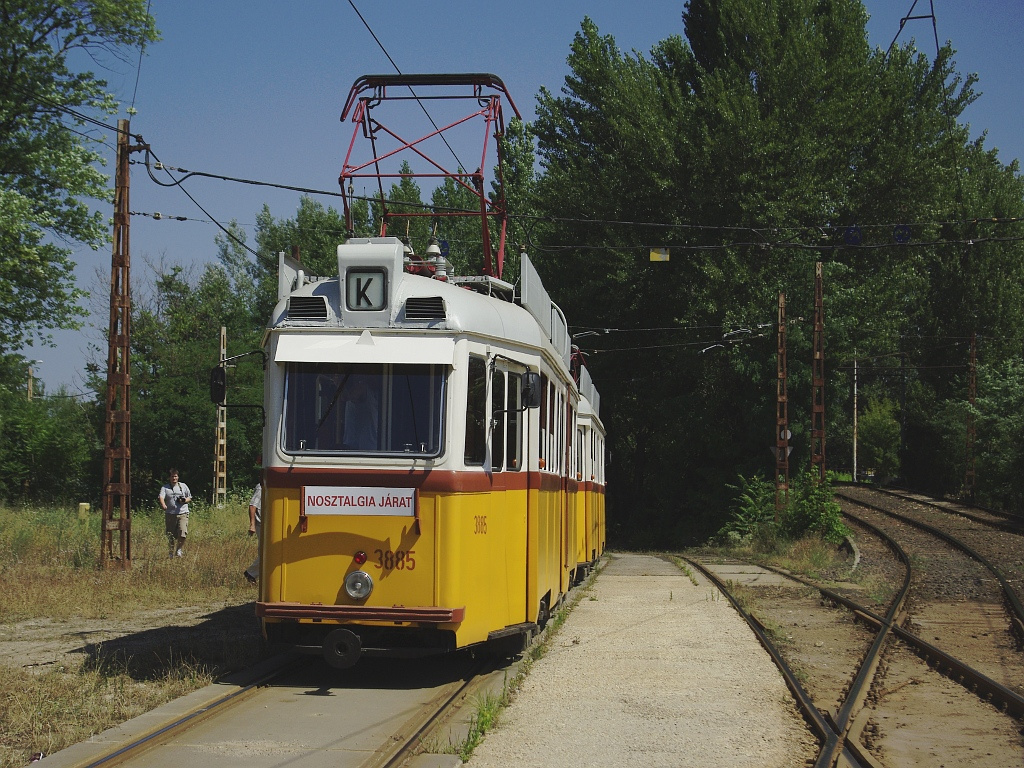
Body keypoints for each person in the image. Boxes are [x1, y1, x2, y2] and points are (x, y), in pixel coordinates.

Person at [158, 468, 192, 558]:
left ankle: (179, 549)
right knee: (171, 535)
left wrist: (184, 500)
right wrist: (163, 504)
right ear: (169, 477)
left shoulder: (183, 486)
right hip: (170, 514)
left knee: (183, 533)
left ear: (178, 477)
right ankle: (170, 552)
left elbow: (190, 497)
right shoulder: (165, 488)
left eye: (175, 476)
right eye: (172, 476)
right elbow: (161, 497)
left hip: (183, 513)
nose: (174, 478)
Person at [343, 375, 379, 450]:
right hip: (359, 447)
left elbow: (345, 396)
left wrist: (340, 385)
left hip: (363, 449)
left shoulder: (362, 388)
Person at [244, 484, 261, 584]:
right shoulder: (262, 487)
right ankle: (251, 573)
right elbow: (252, 506)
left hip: (268, 524)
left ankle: (253, 574)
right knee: (267, 553)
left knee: (264, 552)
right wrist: (252, 525)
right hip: (261, 524)